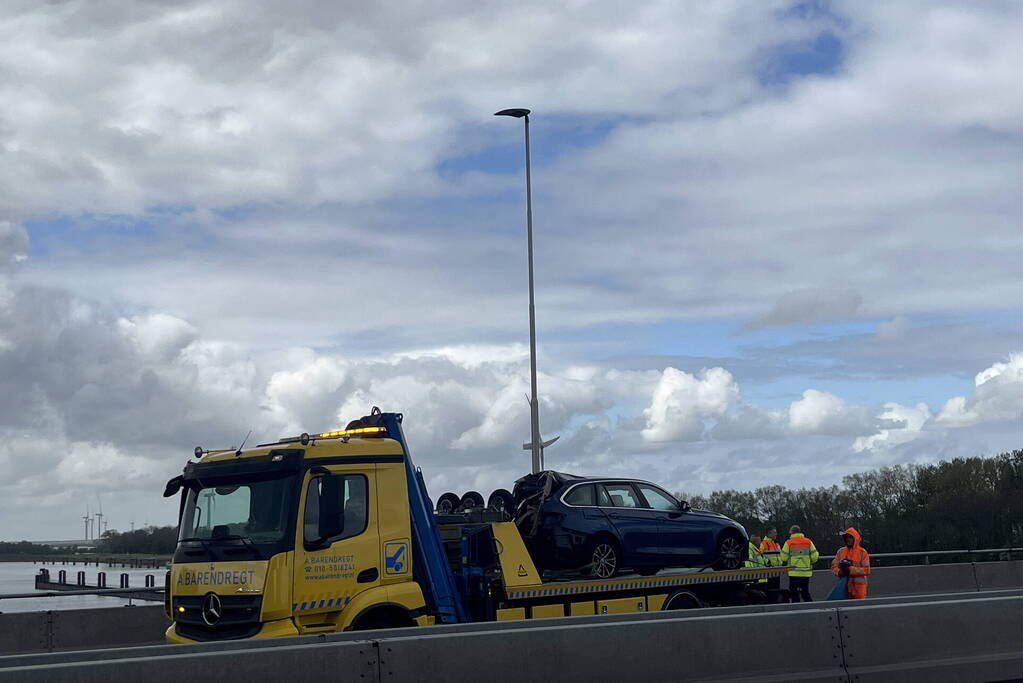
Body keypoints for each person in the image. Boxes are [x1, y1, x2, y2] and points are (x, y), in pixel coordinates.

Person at [780, 525, 819, 602]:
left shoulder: (789, 542)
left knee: (794, 592)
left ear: (791, 532)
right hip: (806, 572)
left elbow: (783, 557)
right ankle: (811, 608)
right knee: (805, 592)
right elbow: (815, 556)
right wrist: (810, 561)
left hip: (794, 572)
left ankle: (796, 609)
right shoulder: (808, 541)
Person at [831, 527, 870, 599]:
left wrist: (850, 570)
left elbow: (867, 570)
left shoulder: (862, 552)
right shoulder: (840, 551)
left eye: (850, 537)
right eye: (846, 537)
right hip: (844, 586)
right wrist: (840, 572)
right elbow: (834, 567)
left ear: (855, 538)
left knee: (858, 608)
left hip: (859, 587)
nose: (848, 539)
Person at [760, 528, 782, 599]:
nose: (776, 534)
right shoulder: (763, 543)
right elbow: (760, 555)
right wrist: (768, 563)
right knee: (770, 588)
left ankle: (775, 601)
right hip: (770, 570)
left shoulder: (776, 543)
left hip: (777, 569)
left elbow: (780, 555)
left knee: (776, 588)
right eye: (774, 532)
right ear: (769, 534)